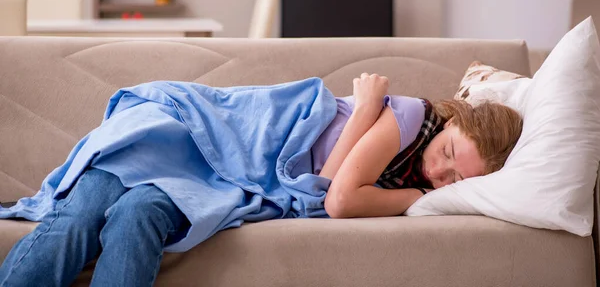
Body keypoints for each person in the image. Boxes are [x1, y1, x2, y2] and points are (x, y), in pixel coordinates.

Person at [0, 73, 522, 287]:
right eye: (449, 153)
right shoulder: (411, 116)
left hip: (230, 184)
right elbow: (337, 197)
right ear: (452, 121)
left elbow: (326, 188)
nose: (439, 172)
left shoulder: (429, 174)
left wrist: (365, 119)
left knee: (137, 214)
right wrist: (367, 113)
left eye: (455, 178)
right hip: (200, 133)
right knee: (78, 221)